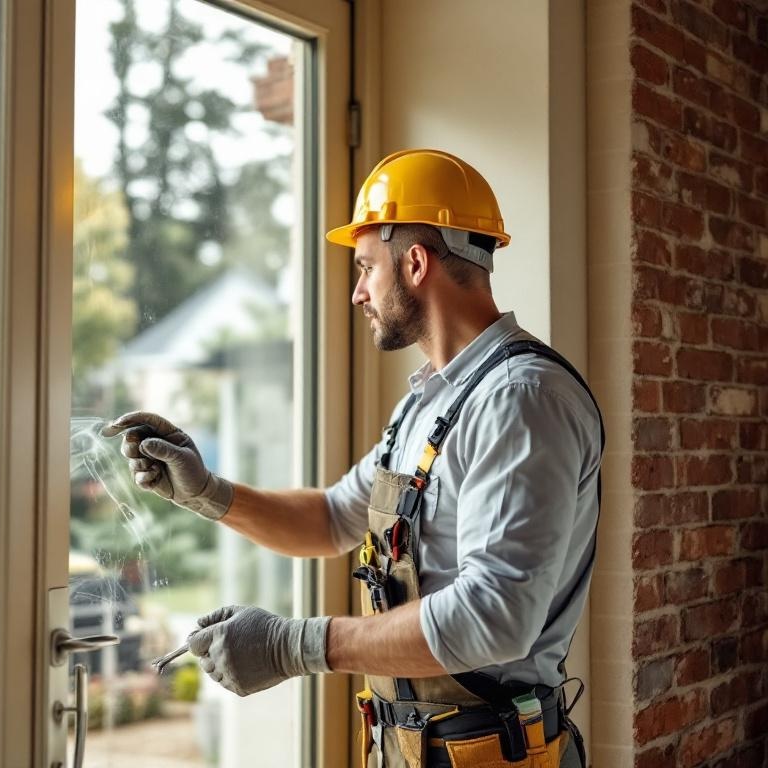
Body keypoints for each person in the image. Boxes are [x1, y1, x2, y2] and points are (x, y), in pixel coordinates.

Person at [102, 149, 602, 768]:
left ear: (415, 262)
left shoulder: (521, 401)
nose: (358, 291)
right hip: (410, 747)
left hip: (494, 753)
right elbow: (334, 517)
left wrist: (296, 645)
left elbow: (493, 616)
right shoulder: (429, 405)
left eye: (366, 266)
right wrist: (206, 491)